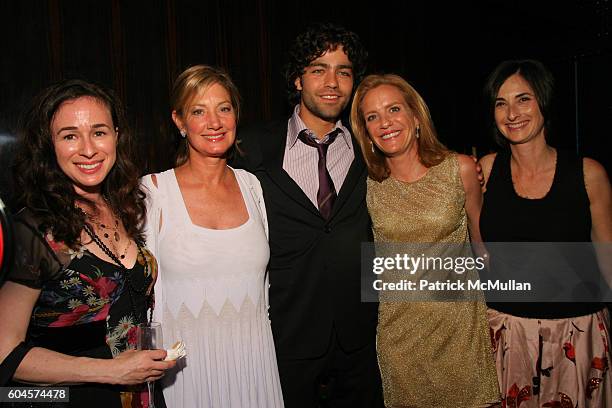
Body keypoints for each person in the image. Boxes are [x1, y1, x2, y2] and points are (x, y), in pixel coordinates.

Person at [0, 79, 175, 407]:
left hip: (141, 396)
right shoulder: (32, 230)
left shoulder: (124, 204)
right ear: (48, 145)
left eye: (99, 132)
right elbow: (3, 354)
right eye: (69, 135)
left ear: (117, 136)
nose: (89, 149)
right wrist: (111, 372)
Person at [234, 23, 383, 407]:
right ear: (298, 79)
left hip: (361, 336)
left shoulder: (372, 148)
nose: (332, 82)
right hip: (288, 334)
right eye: (319, 69)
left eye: (344, 71)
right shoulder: (252, 149)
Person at [349, 73, 500, 407]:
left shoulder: (459, 169)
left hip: (460, 333)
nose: (385, 122)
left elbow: (482, 247)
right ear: (366, 132)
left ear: (415, 117)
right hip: (400, 338)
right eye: (372, 117)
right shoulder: (368, 183)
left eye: (394, 109)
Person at [142, 65, 283, 408]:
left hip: (256, 365)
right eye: (198, 111)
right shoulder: (153, 192)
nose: (215, 122)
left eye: (224, 108)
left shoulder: (252, 186)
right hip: (186, 375)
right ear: (179, 121)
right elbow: (142, 298)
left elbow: (264, 292)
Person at [479, 59, 612, 407]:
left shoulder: (589, 174)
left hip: (577, 335)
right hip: (508, 336)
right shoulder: (486, 170)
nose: (512, 113)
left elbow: (607, 257)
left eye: (523, 99)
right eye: (500, 103)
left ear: (544, 103)